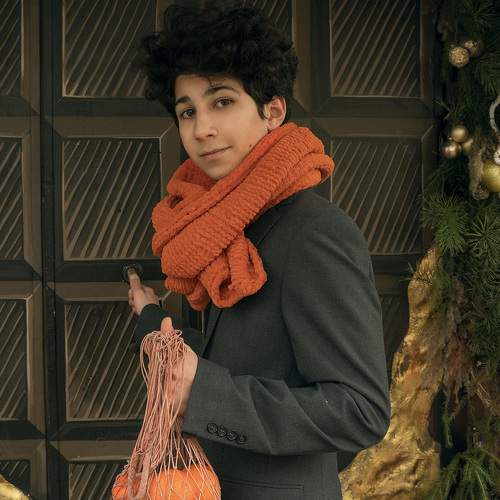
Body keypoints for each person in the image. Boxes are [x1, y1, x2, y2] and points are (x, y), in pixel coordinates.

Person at [128, 3, 391, 499]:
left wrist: (203, 392)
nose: (201, 128)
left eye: (222, 102)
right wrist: (152, 322)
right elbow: (250, 359)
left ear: (273, 111)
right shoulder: (223, 225)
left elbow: (360, 411)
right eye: (188, 111)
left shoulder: (315, 233)